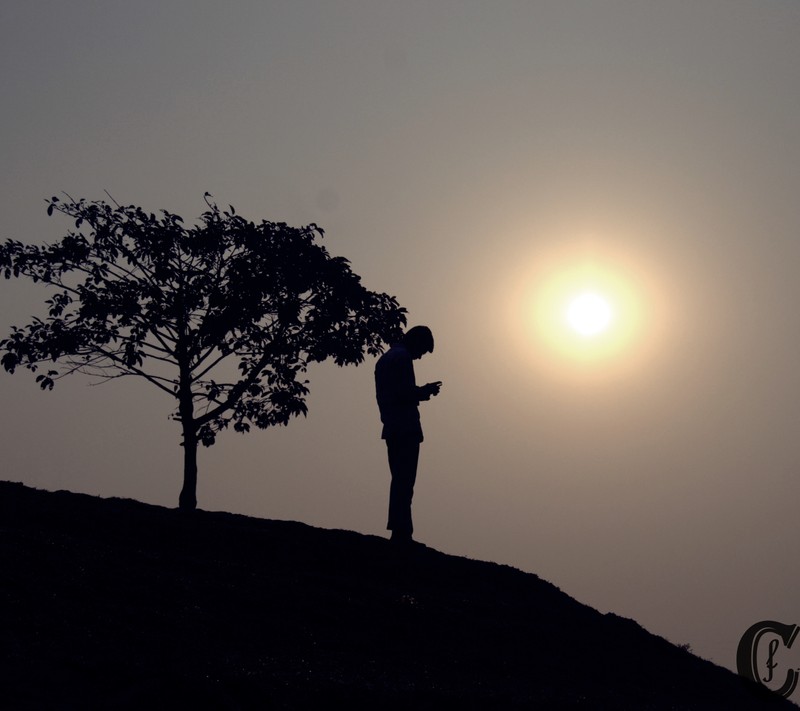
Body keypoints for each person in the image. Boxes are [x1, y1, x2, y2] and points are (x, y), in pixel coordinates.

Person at [374, 326, 442, 545]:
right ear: (416, 342)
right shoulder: (402, 359)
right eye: (422, 350)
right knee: (404, 481)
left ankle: (400, 529)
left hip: (392, 425)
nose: (420, 356)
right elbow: (403, 393)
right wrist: (424, 391)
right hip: (404, 426)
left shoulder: (385, 359)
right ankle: (401, 533)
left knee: (400, 480)